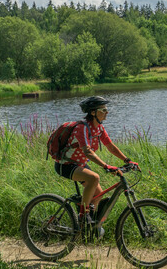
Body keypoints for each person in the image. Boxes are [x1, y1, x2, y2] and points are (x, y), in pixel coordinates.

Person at [54, 95, 138, 227]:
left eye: (106, 109)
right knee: (94, 178)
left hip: (80, 164)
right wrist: (106, 166)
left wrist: (128, 160)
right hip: (65, 164)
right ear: (93, 112)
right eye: (103, 110)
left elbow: (110, 146)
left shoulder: (99, 128)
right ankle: (83, 215)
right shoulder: (81, 128)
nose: (107, 112)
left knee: (98, 195)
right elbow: (87, 151)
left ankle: (86, 228)